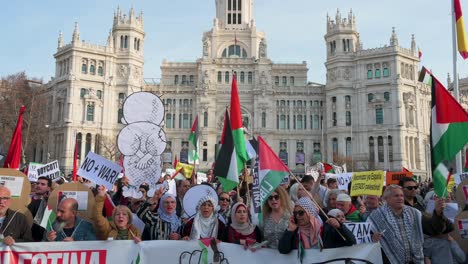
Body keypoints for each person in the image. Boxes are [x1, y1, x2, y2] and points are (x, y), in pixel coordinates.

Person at [367, 184, 448, 264]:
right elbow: (364, 238)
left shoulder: (414, 213)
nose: (400, 198)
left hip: (415, 260)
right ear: (386, 199)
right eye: (396, 196)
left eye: (402, 195)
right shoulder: (376, 216)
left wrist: (437, 213)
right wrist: (372, 238)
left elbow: (435, 228)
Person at [27, 176, 52, 241]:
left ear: (48, 188)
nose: (38, 185)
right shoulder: (27, 198)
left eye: (42, 184)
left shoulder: (51, 202)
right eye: (37, 183)